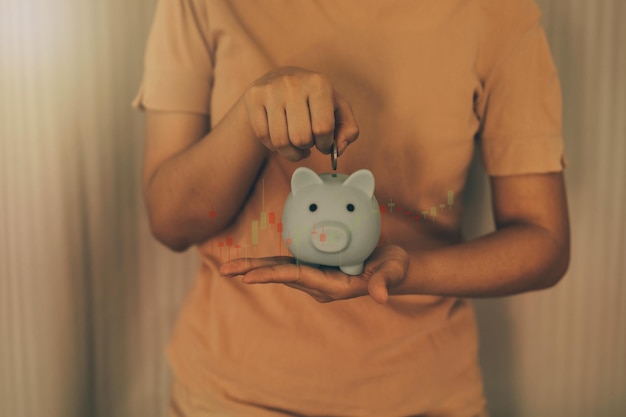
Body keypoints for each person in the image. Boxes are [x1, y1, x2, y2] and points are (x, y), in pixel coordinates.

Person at [132, 0, 570, 415]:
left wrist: (409, 271)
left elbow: (543, 240)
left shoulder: (495, 12)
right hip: (233, 394)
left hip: (421, 394)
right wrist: (250, 121)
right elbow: (171, 223)